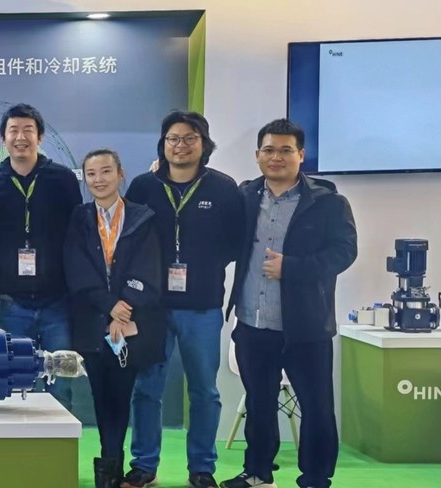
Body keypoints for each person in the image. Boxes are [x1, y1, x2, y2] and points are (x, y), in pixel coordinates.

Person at [221, 119, 355, 488]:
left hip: (306, 327)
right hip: (252, 323)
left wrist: (291, 268)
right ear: (257, 155)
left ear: (301, 154)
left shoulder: (328, 203)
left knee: (317, 408)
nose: (276, 157)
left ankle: (315, 478)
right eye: (268, 150)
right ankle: (258, 472)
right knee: (259, 404)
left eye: (285, 150)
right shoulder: (246, 197)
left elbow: (344, 253)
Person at [122, 111, 244, 488]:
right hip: (152, 307)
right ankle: (144, 464)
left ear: (203, 144)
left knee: (204, 390)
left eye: (190, 138)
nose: (181, 146)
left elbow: (236, 243)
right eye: (173, 139)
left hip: (202, 306)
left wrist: (204, 265)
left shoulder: (223, 188)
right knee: (147, 388)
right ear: (163, 145)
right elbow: (128, 240)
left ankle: (202, 468)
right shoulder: (143, 187)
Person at [64, 149, 167, 488]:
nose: (99, 179)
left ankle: (114, 467)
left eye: (106, 171)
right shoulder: (79, 218)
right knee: (101, 397)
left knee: (121, 398)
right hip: (93, 322)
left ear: (121, 174)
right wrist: (109, 305)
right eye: (91, 174)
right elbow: (77, 269)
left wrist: (125, 306)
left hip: (131, 323)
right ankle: (108, 468)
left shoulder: (142, 217)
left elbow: (149, 268)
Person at [0, 103, 81, 404]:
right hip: (14, 302)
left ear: (40, 137)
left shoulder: (62, 179)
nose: (20, 137)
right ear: (3, 138)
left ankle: (59, 436)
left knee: (61, 383)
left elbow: (77, 234)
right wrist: (6, 265)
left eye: (28, 130)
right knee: (14, 381)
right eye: (13, 130)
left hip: (58, 301)